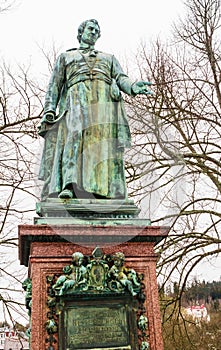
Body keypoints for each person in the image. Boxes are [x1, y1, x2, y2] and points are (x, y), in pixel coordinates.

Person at [38, 19, 152, 200]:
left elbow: (121, 78)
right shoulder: (66, 57)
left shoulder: (108, 58)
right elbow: (54, 87)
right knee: (74, 138)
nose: (94, 32)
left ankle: (104, 191)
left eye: (97, 31)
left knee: (102, 145)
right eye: (90, 29)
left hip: (103, 103)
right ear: (81, 32)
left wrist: (133, 87)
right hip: (76, 101)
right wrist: (49, 110)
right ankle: (70, 185)